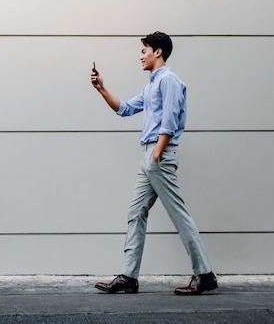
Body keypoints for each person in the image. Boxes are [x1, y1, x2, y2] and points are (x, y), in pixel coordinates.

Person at [90, 31, 217, 295]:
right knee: (135, 213)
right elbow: (124, 109)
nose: (140, 56)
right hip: (148, 155)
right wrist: (102, 88)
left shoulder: (169, 80)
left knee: (178, 214)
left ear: (158, 51)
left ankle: (204, 274)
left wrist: (158, 152)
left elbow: (170, 120)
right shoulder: (151, 86)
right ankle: (128, 276)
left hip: (160, 153)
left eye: (144, 50)